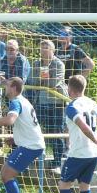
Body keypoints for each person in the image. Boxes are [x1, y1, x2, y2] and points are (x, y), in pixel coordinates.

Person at [27, 39, 67, 168]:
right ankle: (37, 156)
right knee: (36, 130)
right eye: (42, 47)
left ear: (53, 50)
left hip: (56, 102)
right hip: (40, 102)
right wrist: (42, 81)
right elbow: (31, 82)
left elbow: (53, 84)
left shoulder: (58, 64)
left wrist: (42, 81)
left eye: (46, 47)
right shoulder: (36, 63)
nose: (43, 50)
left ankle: (57, 162)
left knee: (56, 132)